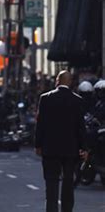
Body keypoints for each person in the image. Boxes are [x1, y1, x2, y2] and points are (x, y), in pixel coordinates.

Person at [35, 70, 87, 212]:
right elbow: (81, 127)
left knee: (51, 184)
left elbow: (40, 124)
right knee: (68, 183)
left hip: (50, 148)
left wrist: (38, 145)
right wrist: (84, 148)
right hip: (70, 149)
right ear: (70, 82)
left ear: (57, 81)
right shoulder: (77, 100)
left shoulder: (45, 98)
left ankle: (52, 209)